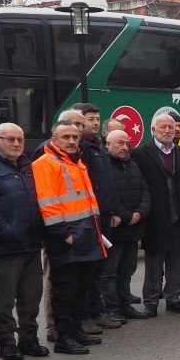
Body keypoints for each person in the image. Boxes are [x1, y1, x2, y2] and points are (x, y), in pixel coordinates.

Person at [0, 123, 48, 360]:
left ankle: (29, 339)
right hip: (4, 247)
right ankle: (6, 342)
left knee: (31, 297)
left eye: (20, 140)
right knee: (4, 300)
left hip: (31, 244)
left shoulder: (27, 166)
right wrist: (7, 231)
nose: (16, 144)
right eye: (10, 139)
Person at [32, 120, 107, 355]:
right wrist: (65, 236)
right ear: (54, 139)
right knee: (64, 291)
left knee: (80, 289)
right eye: (66, 137)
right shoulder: (46, 163)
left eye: (75, 137)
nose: (72, 141)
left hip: (86, 234)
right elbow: (48, 205)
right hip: (67, 238)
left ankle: (75, 331)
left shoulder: (77, 162)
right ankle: (64, 337)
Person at [133, 112, 180, 317]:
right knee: (154, 264)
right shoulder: (141, 153)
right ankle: (150, 301)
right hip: (156, 218)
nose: (169, 131)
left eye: (172, 127)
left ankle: (173, 298)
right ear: (153, 130)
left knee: (178, 262)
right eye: (163, 127)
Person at [73, 102, 122, 331]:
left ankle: (96, 311)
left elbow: (105, 183)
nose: (93, 122)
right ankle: (84, 316)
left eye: (96, 118)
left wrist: (110, 211)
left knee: (99, 268)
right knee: (87, 271)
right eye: (89, 119)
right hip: (87, 218)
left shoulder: (97, 146)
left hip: (103, 215)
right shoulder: (80, 148)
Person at [103, 129, 150, 321]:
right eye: (119, 143)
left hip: (132, 228)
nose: (124, 147)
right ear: (108, 144)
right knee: (110, 273)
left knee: (127, 271)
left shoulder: (132, 165)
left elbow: (145, 190)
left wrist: (140, 212)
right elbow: (107, 195)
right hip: (115, 229)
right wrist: (127, 215)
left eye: (126, 143)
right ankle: (111, 308)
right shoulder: (103, 165)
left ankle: (125, 305)